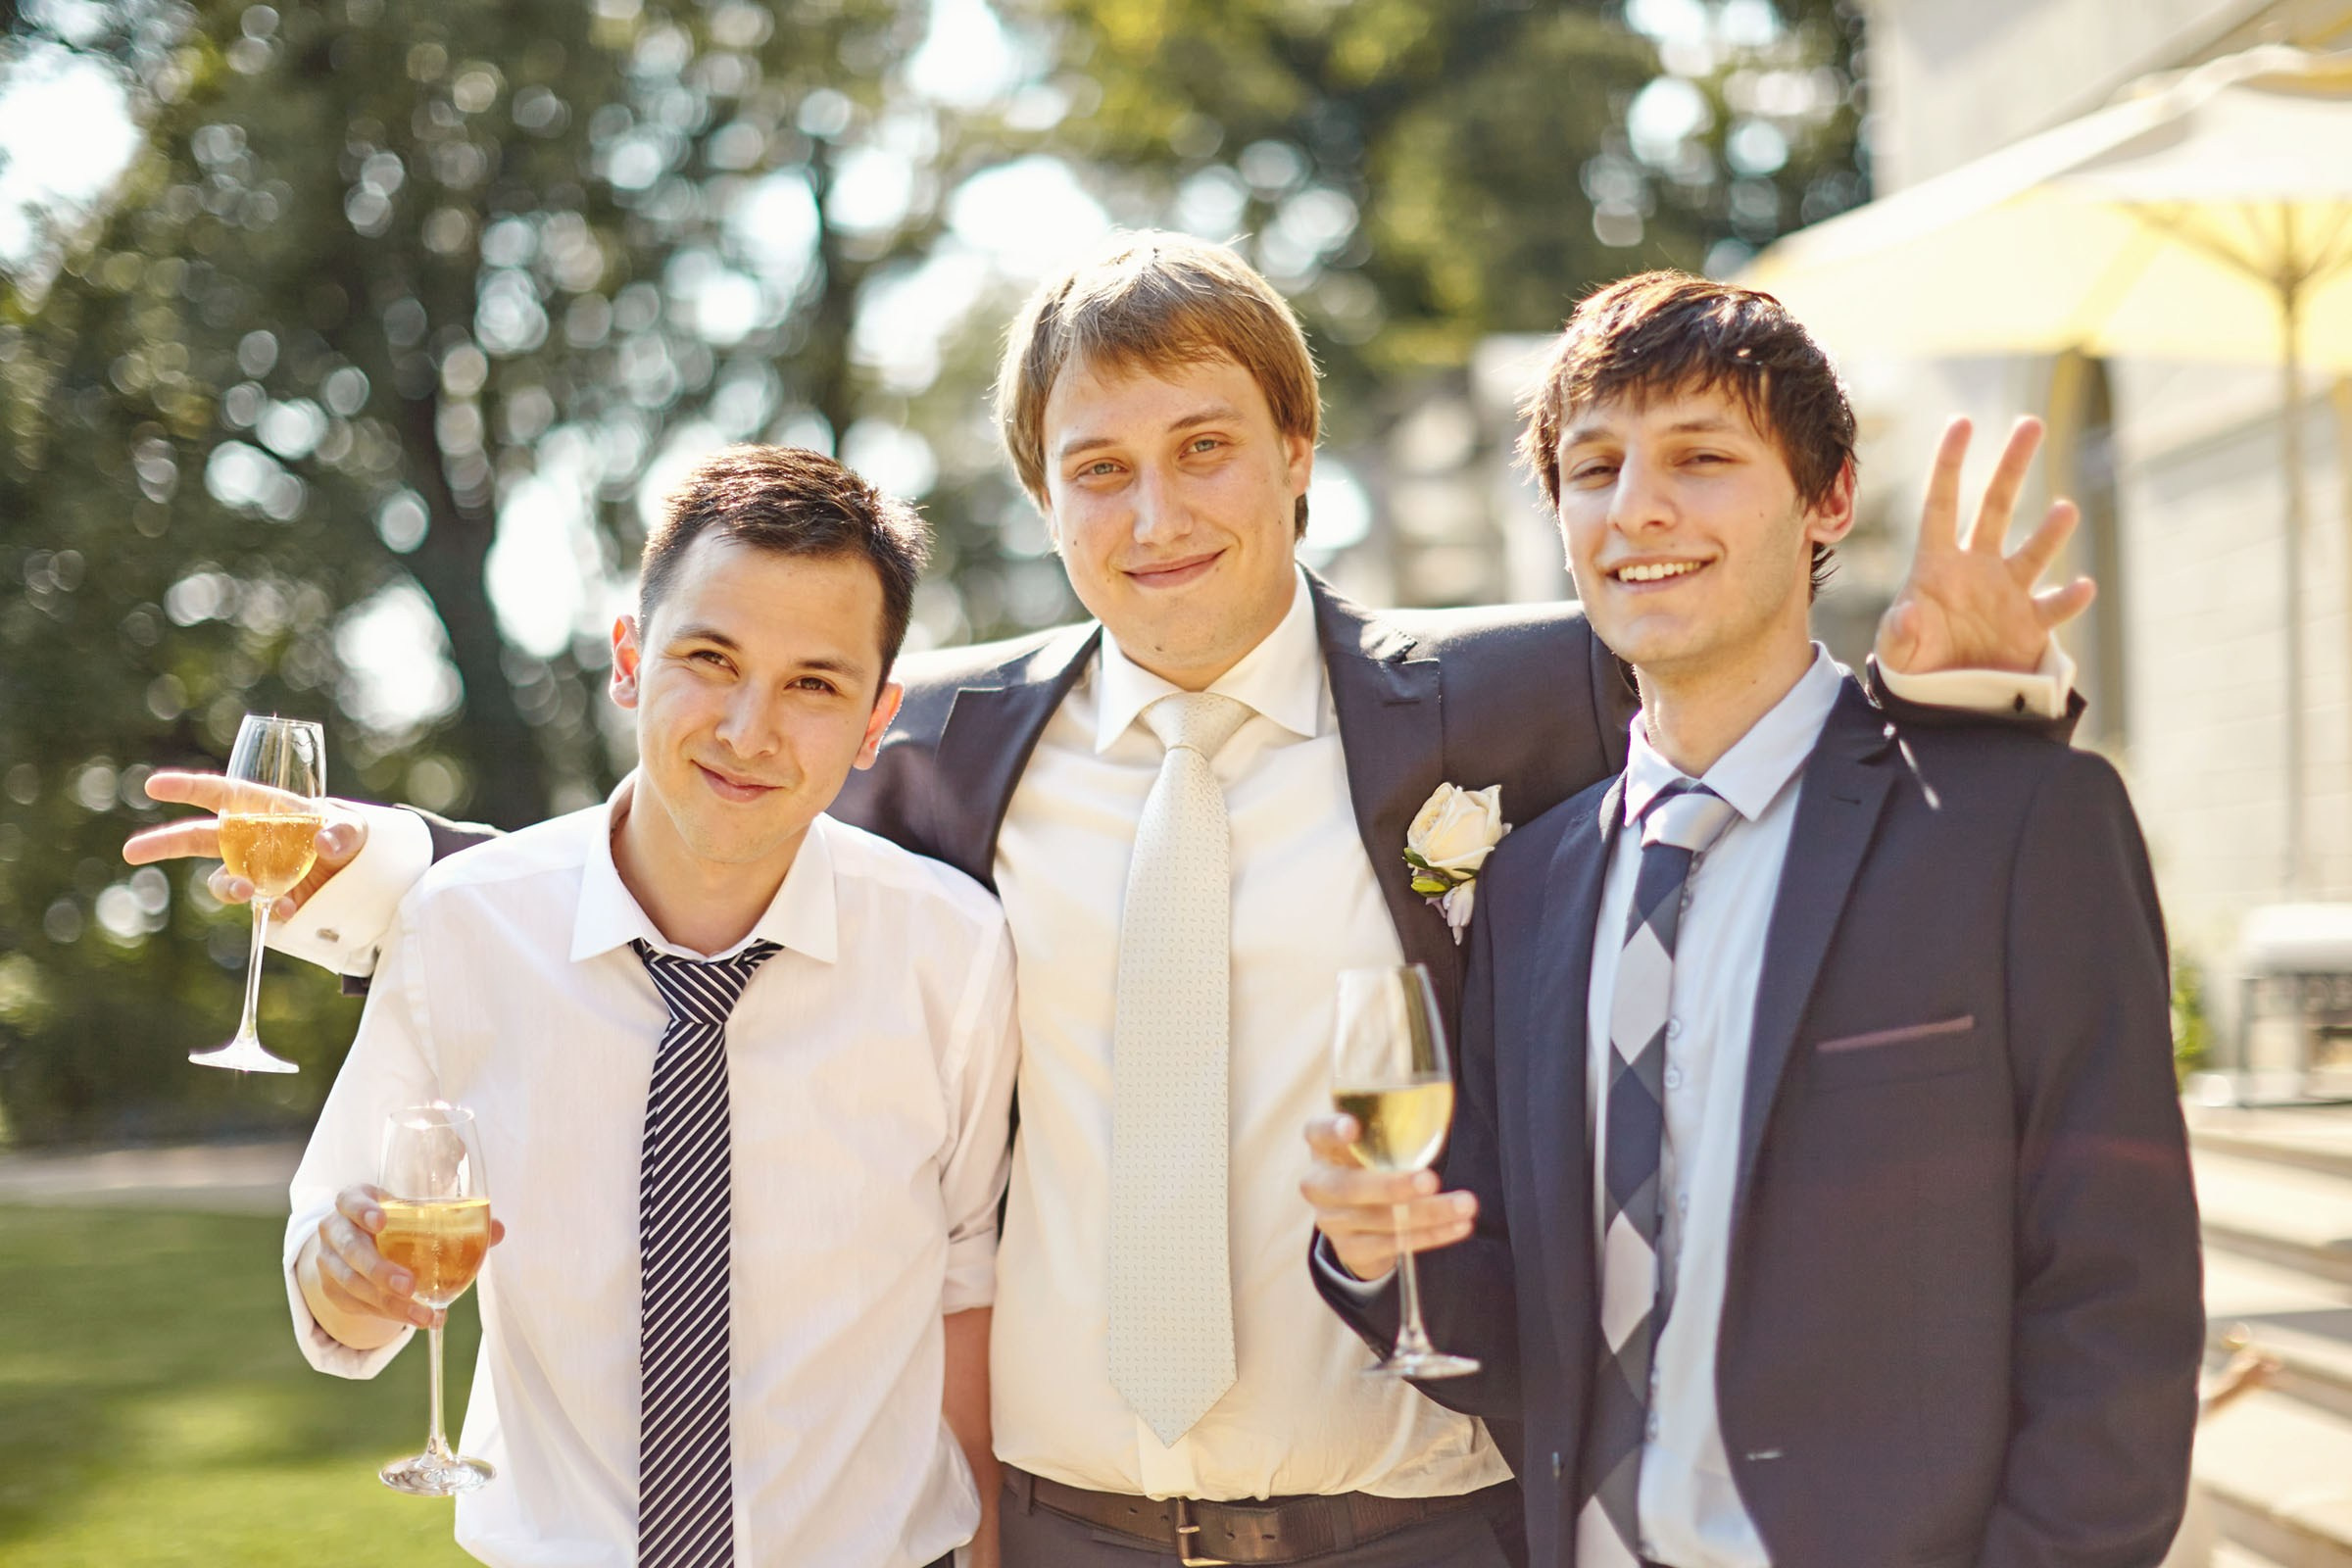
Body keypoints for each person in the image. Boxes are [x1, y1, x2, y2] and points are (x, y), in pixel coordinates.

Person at [133, 235, 2082, 1568]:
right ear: (1044, 498)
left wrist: (1965, 709)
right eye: (1099, 469)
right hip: (1059, 1535)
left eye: (1204, 449)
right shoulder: (945, 737)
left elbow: (1777, 814)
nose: (1157, 515)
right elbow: (705, 827)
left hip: (1426, 1522)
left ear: (1297, 455)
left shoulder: (1519, 688)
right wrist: (381, 864)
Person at [1301, 272, 2203, 1568]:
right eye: (1593, 467)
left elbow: (2116, 1306)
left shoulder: (2013, 823)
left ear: (1828, 497)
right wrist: (1372, 1253)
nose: (1637, 508)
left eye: (1702, 457)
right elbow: (1524, 1341)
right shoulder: (1535, 883)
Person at [278, 447, 1017, 1568]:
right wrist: (350, 1281)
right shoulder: (460, 926)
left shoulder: (953, 953)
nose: (747, 729)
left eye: (814, 684)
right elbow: (343, 1271)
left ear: (875, 721)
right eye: (709, 659)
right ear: (629, 660)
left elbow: (970, 1297)